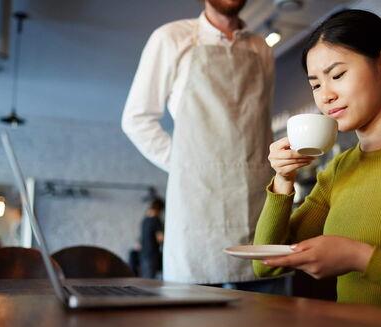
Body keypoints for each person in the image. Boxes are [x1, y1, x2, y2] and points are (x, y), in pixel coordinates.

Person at [253, 9, 381, 315]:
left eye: (337, 75)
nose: (326, 96)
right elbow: (265, 264)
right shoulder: (339, 169)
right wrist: (283, 180)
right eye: (316, 85)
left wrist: (361, 259)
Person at [122, 1, 285, 293]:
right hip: (199, 206)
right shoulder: (171, 38)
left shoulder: (262, 48)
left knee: (266, 323)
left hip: (256, 203)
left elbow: (262, 124)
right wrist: (187, 164)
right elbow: (137, 119)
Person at [139, 198, 164, 279]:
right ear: (159, 209)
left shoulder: (144, 220)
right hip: (152, 254)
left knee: (145, 280)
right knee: (150, 281)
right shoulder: (156, 220)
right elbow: (160, 238)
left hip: (143, 254)